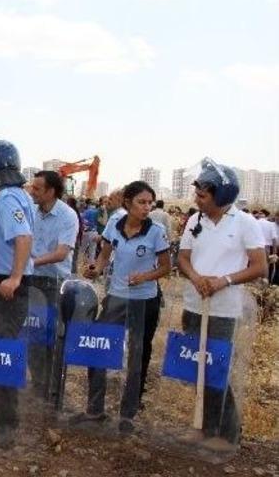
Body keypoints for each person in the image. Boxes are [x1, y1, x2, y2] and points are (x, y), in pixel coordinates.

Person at [177, 160, 266, 451]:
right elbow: (183, 258)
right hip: (194, 304)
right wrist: (197, 278)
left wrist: (223, 281)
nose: (196, 199)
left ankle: (226, 433)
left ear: (223, 196)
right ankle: (200, 425)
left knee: (218, 370)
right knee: (196, 367)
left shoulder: (245, 223)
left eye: (203, 195)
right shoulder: (194, 221)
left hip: (224, 309)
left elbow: (259, 267)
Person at [82, 180, 171, 434]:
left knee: (136, 356)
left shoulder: (156, 231)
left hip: (145, 301)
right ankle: (94, 409)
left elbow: (166, 266)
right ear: (128, 203)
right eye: (141, 202)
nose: (146, 208)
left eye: (150, 203)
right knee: (99, 348)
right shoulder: (113, 224)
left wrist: (144, 277)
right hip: (116, 297)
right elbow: (104, 256)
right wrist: (95, 270)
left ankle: (128, 415)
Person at [0, 139, 35, 448]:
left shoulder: (9, 198)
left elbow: (23, 237)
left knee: (3, 352)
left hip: (8, 287)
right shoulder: (10, 195)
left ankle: (8, 425)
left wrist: (14, 277)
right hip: (1, 282)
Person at [28, 170, 79, 399]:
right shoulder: (31, 211)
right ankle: (38, 383)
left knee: (51, 337)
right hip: (31, 280)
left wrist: (29, 262)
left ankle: (51, 388)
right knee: (32, 334)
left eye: (37, 188)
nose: (32, 192)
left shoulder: (67, 216)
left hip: (53, 283)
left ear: (51, 191)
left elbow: (60, 254)